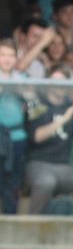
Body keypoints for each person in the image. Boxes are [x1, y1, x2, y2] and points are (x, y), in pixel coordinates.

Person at [25, 63, 73, 215]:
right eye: (55, 81)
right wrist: (64, 118)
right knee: (46, 182)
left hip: (63, 166)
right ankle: (32, 224)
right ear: (48, 84)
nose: (59, 85)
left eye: (62, 82)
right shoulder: (38, 105)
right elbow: (37, 136)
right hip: (38, 164)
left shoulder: (70, 106)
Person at [0, 40, 28, 215]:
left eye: (11, 55)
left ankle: (11, 221)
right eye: (3, 55)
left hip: (17, 138)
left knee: (12, 184)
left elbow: (32, 99)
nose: (7, 59)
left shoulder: (23, 78)